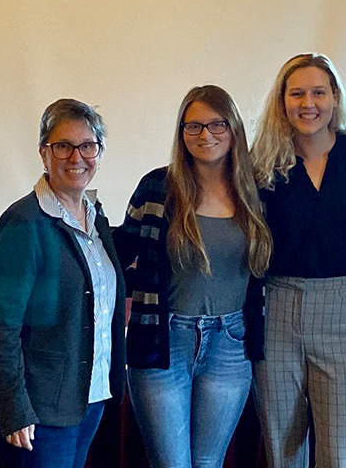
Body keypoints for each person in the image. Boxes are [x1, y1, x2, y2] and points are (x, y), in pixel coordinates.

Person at [113, 85, 273, 468]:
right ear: (181, 133)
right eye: (194, 126)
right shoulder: (157, 188)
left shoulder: (257, 192)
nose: (206, 135)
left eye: (217, 124)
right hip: (162, 340)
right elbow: (118, 255)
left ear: (234, 128)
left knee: (207, 463)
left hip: (231, 344)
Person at [250, 53, 346, 468]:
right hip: (275, 304)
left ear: (334, 98)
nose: (307, 103)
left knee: (341, 446)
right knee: (282, 443)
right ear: (282, 101)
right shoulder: (262, 160)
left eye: (318, 92)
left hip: (341, 306)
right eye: (296, 93)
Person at [0, 98, 126, 468]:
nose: (76, 157)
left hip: (90, 398)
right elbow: (2, 327)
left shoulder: (95, 218)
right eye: (62, 146)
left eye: (88, 146)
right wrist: (14, 409)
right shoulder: (24, 222)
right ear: (44, 153)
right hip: (41, 409)